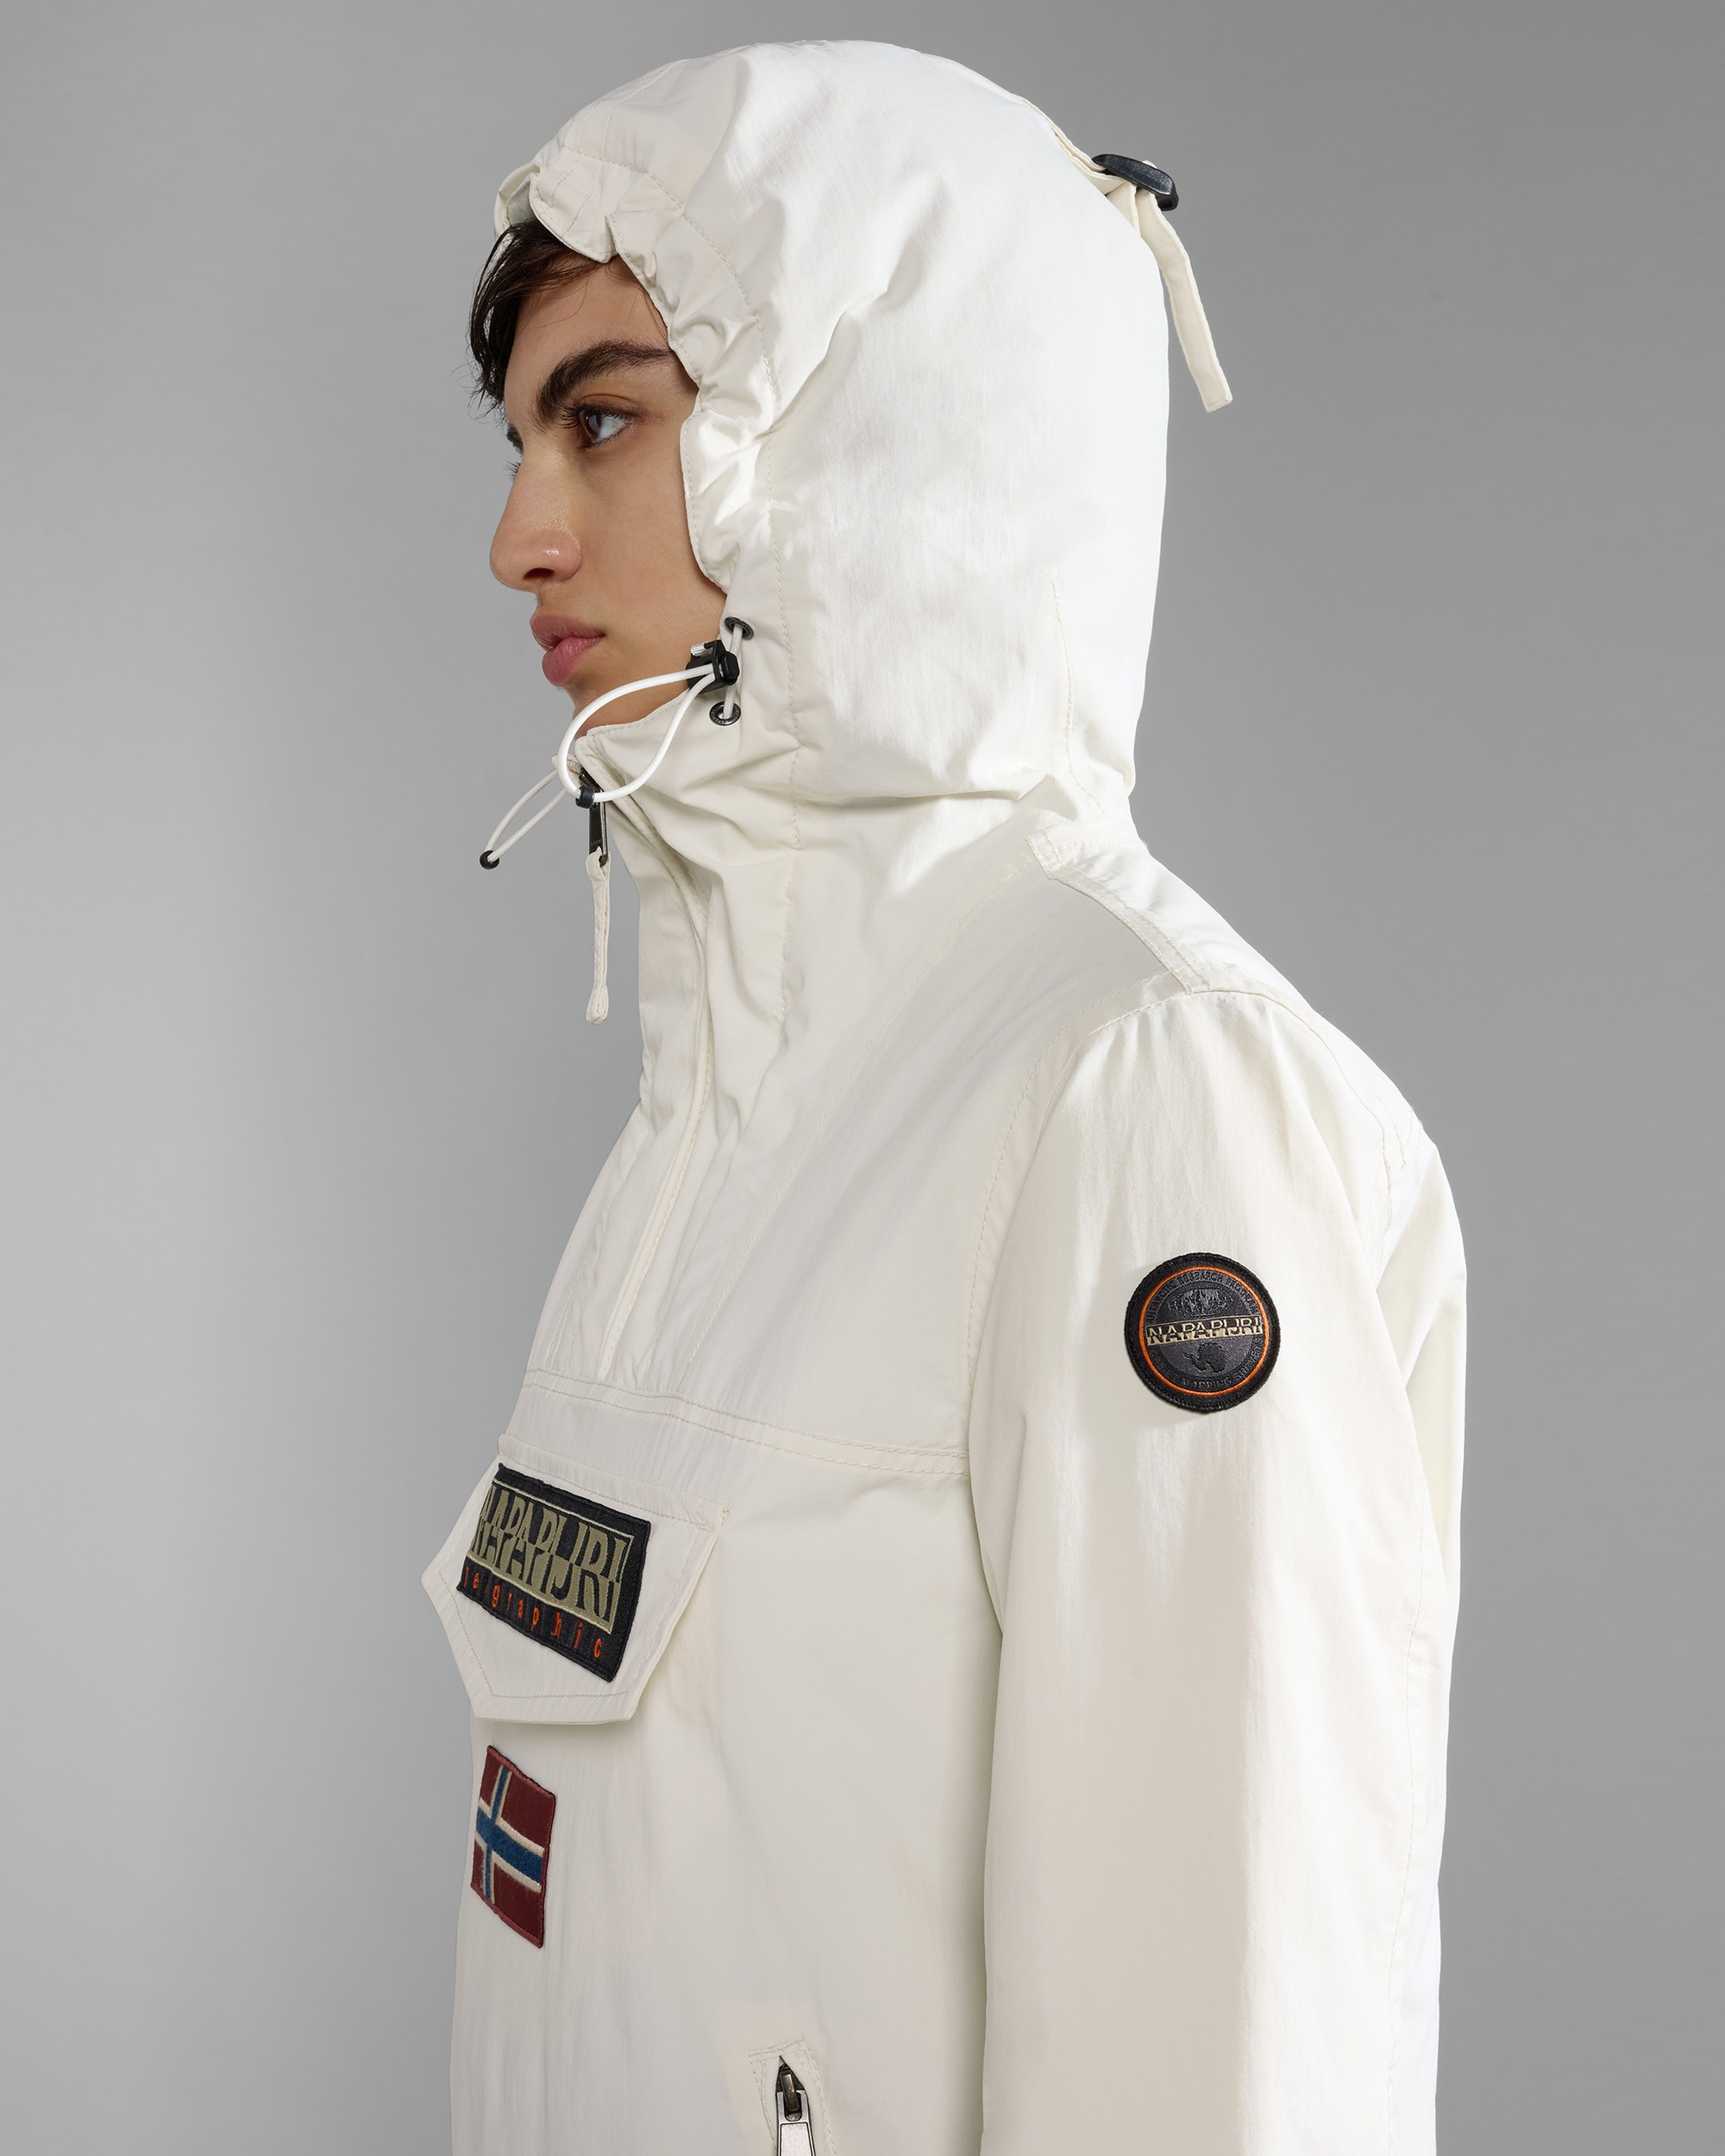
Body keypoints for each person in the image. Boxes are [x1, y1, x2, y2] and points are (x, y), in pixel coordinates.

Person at [423, 40, 1465, 2156]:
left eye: (605, 419)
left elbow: (1223, 2052)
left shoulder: (1149, 1088)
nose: (521, 532)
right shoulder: (708, 1124)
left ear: (873, 445)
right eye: (522, 436)